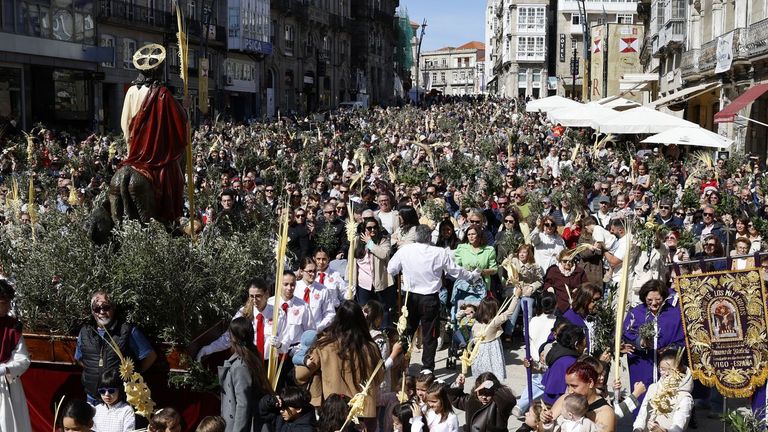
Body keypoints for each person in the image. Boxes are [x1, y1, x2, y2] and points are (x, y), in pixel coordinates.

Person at [388, 225, 476, 373]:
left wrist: (406, 272)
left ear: (416, 236)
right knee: (428, 334)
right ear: (429, 237)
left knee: (409, 332)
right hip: (427, 298)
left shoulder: (405, 250)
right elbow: (455, 271)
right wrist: (471, 275)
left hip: (412, 297)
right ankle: (426, 368)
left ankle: (404, 366)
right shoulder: (438, 252)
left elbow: (391, 269)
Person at [295, 301, 394, 432]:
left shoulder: (324, 346)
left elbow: (300, 375)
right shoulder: (371, 348)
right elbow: (379, 378)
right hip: (359, 412)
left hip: (333, 411)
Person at [119, 43, 187, 224]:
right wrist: (184, 107)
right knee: (175, 178)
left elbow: (124, 124)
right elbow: (179, 121)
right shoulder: (162, 93)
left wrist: (130, 148)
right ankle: (172, 217)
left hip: (134, 152)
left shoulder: (131, 91)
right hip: (156, 153)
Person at [75, 292, 157, 404]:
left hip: (121, 399)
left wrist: (132, 374)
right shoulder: (85, 332)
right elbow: (79, 358)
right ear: (92, 311)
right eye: (97, 308)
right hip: (93, 398)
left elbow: (150, 356)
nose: (102, 312)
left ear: (113, 308)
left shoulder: (128, 331)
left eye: (106, 307)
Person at [622, 280, 684, 406]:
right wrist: (641, 342)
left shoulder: (674, 314)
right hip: (642, 364)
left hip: (667, 365)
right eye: (650, 299)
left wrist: (669, 350)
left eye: (658, 299)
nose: (654, 303)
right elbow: (625, 334)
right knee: (642, 397)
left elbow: (682, 339)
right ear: (644, 297)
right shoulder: (636, 313)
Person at [196, 278, 274, 361]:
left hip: (271, 363)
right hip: (250, 360)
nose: (254, 300)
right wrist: (208, 349)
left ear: (266, 294)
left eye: (258, 296)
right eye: (251, 296)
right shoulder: (243, 313)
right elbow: (229, 337)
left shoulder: (277, 313)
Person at [219, 317, 272, 432]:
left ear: (233, 337)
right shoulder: (253, 354)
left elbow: (243, 404)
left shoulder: (240, 365)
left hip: (245, 426)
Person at [539, 361, 616, 432]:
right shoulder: (565, 399)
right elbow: (541, 429)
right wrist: (545, 421)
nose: (570, 391)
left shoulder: (605, 413)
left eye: (574, 386)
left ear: (590, 383)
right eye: (568, 386)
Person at [632, 349, 693, 432]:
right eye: (662, 369)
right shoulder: (653, 388)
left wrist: (662, 430)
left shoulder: (684, 397)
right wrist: (638, 428)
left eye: (670, 370)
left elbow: (678, 427)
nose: (666, 373)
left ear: (680, 369)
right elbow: (642, 414)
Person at [0, 280, 32, 432]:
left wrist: (5, 369)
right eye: (3, 302)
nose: (8, 306)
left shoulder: (13, 326)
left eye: (8, 302)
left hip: (6, 383)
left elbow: (23, 358)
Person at [354, 217, 395, 327]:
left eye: (375, 227)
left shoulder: (384, 240)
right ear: (364, 229)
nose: (372, 230)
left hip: (380, 282)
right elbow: (352, 262)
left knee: (383, 310)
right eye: (369, 228)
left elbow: (384, 254)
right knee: (364, 311)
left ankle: (384, 335)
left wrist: (370, 243)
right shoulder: (357, 241)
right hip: (363, 283)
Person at [449, 372, 516, 432]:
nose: (484, 397)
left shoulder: (499, 404)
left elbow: (510, 401)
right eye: (481, 393)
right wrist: (457, 385)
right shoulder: (472, 400)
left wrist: (493, 386)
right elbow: (456, 398)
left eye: (488, 393)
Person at [471, 296, 518, 379]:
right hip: (492, 349)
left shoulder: (476, 322)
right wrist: (516, 297)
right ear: (492, 310)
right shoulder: (494, 322)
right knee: (493, 372)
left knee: (482, 373)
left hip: (479, 350)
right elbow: (509, 312)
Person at [541, 325, 587, 406]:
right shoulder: (571, 361)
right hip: (559, 403)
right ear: (576, 344)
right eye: (583, 342)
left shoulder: (558, 353)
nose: (585, 346)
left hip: (548, 399)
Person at [296, 257, 336, 331]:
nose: (313, 274)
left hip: (316, 332)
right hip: (297, 334)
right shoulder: (294, 288)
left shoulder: (323, 290)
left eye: (315, 271)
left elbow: (330, 313)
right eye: (310, 271)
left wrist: (319, 328)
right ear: (301, 271)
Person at [562, 284, 603, 355]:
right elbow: (553, 339)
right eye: (594, 300)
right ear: (584, 300)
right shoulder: (569, 318)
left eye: (599, 301)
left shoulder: (600, 317)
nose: (598, 304)